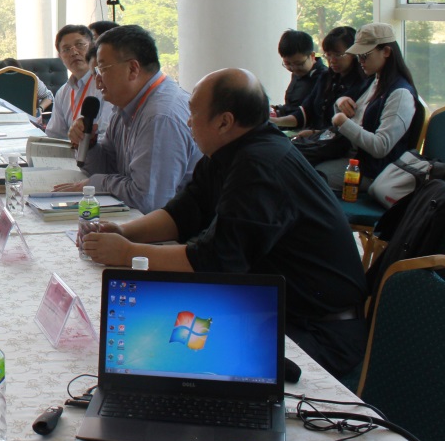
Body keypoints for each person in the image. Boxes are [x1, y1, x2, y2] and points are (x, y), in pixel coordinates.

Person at [76, 69, 368, 379]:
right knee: (142, 335)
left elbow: (214, 260)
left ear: (224, 122)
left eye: (193, 113)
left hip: (316, 332)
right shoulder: (229, 152)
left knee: (165, 360)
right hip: (265, 309)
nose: (188, 122)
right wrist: (124, 232)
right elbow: (183, 213)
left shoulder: (260, 165)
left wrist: (127, 253)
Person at [54, 25, 200, 215]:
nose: (97, 82)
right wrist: (89, 145)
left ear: (133, 69)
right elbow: (110, 167)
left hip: (175, 229)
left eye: (102, 70)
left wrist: (97, 183)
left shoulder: (160, 117)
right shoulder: (125, 106)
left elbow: (148, 201)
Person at [321, 22, 424, 190]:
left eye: (365, 56)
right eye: (358, 56)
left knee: (309, 176)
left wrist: (343, 122)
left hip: (375, 172)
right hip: (355, 160)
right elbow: (351, 112)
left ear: (386, 52)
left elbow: (381, 147)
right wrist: (340, 102)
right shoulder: (373, 81)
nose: (360, 61)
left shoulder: (400, 94)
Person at [271, 26, 369, 135]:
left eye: (338, 55)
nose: (332, 60)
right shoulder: (326, 78)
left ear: (354, 53)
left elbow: (352, 127)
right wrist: (273, 121)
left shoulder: (363, 84)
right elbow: (305, 112)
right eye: (328, 55)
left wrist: (316, 133)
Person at [44, 24, 109, 140]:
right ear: (60, 57)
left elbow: (108, 135)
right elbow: (54, 135)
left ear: (92, 47)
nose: (74, 52)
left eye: (79, 45)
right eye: (66, 49)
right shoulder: (63, 93)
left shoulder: (105, 85)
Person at [271, 29, 326, 119]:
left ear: (312, 56)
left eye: (299, 64)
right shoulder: (298, 73)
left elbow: (310, 114)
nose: (294, 69)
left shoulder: (324, 78)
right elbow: (292, 106)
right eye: (288, 64)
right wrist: (277, 110)